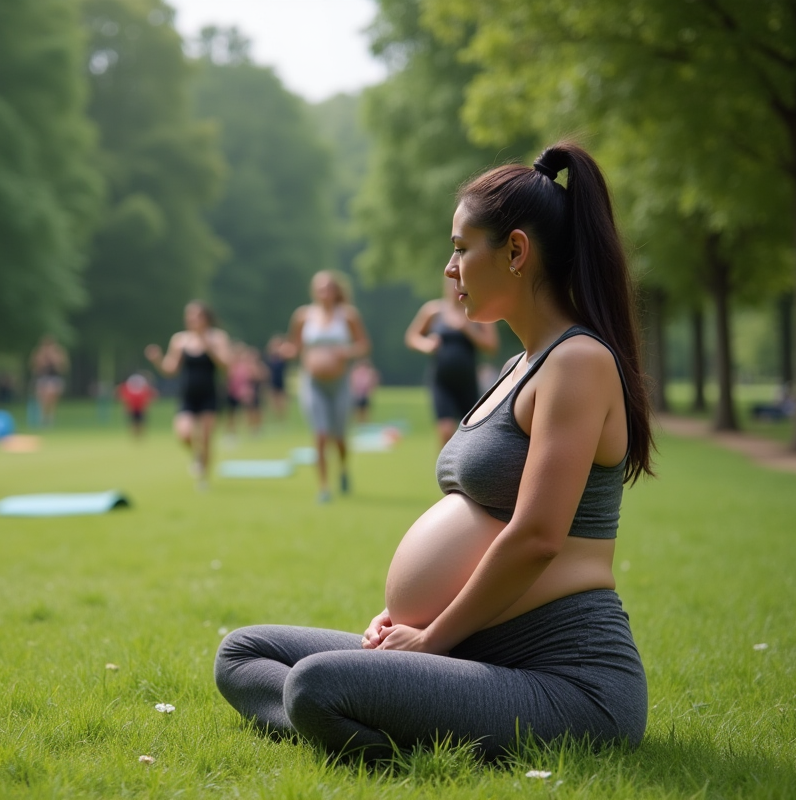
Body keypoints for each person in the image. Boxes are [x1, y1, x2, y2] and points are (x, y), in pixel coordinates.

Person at [216, 142, 655, 762]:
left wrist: (431, 643)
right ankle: (382, 709)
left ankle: (372, 718)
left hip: (565, 680)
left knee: (316, 684)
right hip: (471, 649)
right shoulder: (515, 367)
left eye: (459, 247)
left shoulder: (578, 363)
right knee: (242, 653)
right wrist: (398, 617)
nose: (449, 269)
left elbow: (536, 537)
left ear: (516, 251)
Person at [281, 271, 371, 503]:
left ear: (336, 291)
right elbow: (295, 346)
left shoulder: (348, 316)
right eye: (320, 289)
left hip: (340, 383)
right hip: (312, 384)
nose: (324, 293)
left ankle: (342, 469)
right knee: (320, 434)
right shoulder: (303, 316)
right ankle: (323, 487)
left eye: (328, 288)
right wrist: (285, 351)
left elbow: (363, 345)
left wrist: (347, 351)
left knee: (339, 437)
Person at [145, 301, 232, 489]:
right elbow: (171, 369)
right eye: (189, 316)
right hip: (188, 396)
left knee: (207, 438)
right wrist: (157, 360)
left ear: (206, 318)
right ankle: (196, 455)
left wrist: (208, 347)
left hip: (209, 395)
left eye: (196, 316)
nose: (192, 320)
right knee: (184, 434)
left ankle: (203, 480)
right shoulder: (180, 340)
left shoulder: (217, 338)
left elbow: (226, 365)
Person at [406, 279, 500, 448]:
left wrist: (468, 329)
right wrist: (426, 345)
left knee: (472, 432)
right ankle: (445, 473)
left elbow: (492, 345)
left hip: (468, 383)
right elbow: (412, 337)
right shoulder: (433, 311)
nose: (457, 288)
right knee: (446, 430)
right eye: (453, 283)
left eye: (463, 282)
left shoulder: (477, 312)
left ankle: (465, 473)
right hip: (442, 382)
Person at [31, 336, 68, 428]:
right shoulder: (39, 353)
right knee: (42, 399)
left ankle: (50, 419)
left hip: (54, 378)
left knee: (52, 398)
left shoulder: (58, 353)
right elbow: (34, 367)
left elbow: (63, 367)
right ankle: (43, 418)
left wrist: (54, 359)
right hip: (42, 378)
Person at [117, 372, 158, 438]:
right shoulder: (127, 388)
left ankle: (140, 436)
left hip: (140, 408)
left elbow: (151, 395)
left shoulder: (144, 388)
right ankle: (134, 436)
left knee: (141, 423)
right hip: (132, 408)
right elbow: (123, 397)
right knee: (133, 423)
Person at [264, 334, 289, 422]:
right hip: (272, 380)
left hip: (280, 379)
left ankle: (282, 418)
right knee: (273, 401)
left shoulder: (282, 356)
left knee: (281, 400)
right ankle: (276, 418)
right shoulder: (269, 357)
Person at [349, 359, 380, 424]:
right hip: (357, 394)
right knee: (357, 411)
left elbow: (373, 382)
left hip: (365, 394)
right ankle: (359, 423)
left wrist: (371, 391)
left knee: (365, 411)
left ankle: (365, 423)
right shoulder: (355, 372)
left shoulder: (369, 373)